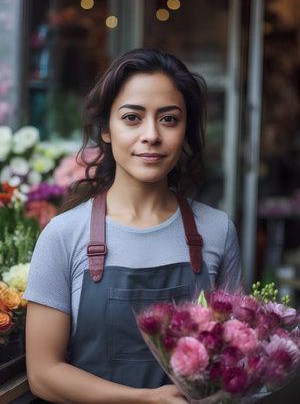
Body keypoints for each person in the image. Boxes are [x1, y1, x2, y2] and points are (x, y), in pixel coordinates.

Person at [24, 48, 242, 403]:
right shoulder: (63, 235)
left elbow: (233, 357)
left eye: (169, 119)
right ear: (106, 130)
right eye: (132, 118)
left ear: (185, 131)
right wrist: (144, 399)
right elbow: (43, 374)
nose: (151, 135)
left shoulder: (217, 231)